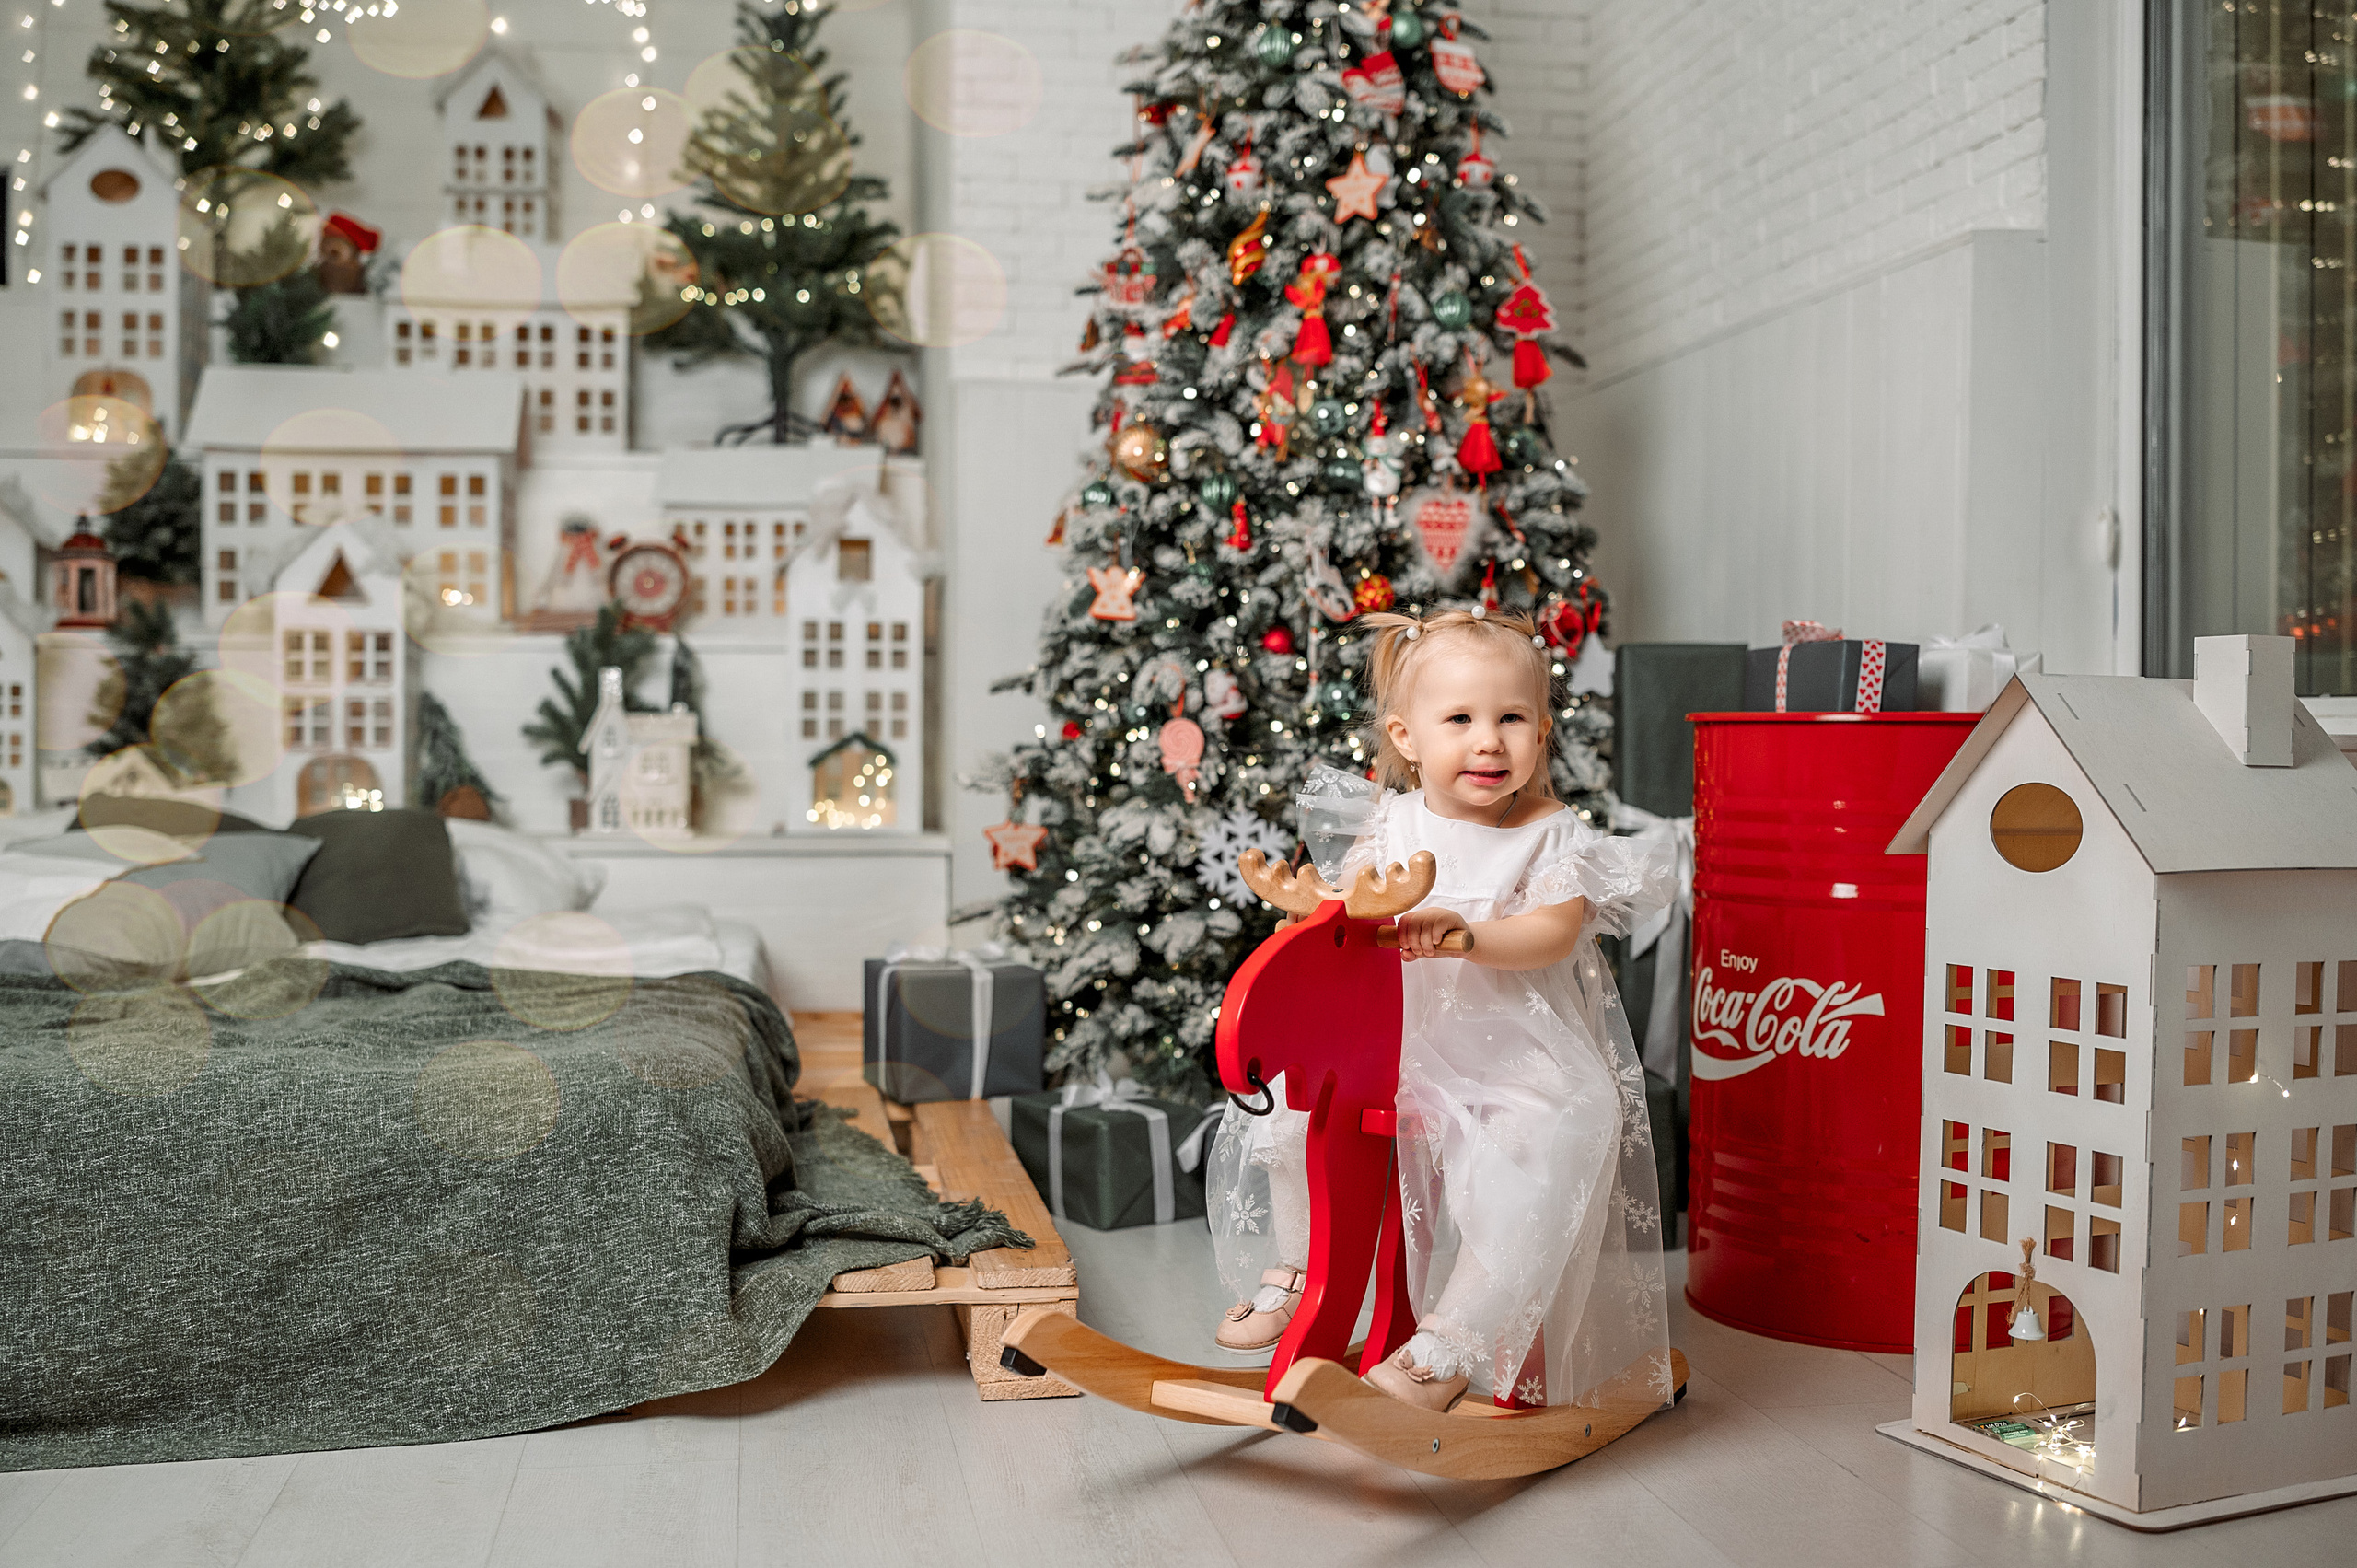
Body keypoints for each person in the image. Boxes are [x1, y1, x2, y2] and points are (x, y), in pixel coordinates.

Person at [1204, 608, 1677, 1412]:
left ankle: (1455, 1337)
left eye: (1511, 719)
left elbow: (1553, 932)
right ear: (1408, 736)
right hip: (1390, 1036)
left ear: (1541, 733)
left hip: (1506, 1043)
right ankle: (1301, 1269)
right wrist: (1312, 909)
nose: (1488, 741)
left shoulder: (1549, 833)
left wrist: (1470, 935)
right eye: (1459, 719)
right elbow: (1344, 915)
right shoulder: (1389, 821)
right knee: (1291, 1107)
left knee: (1551, 1127)